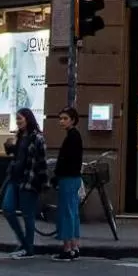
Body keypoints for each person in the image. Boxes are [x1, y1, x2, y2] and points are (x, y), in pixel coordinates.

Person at [1, 108, 47, 258]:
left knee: (28, 215)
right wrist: (10, 146)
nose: (18, 122)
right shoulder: (20, 136)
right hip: (14, 179)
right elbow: (16, 155)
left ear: (28, 119)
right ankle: (23, 241)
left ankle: (29, 248)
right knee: (7, 209)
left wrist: (41, 183)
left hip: (29, 180)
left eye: (20, 119)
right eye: (17, 119)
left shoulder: (37, 138)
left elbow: (41, 162)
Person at [51, 106, 83, 261]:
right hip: (73, 178)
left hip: (68, 179)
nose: (61, 121)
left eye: (65, 118)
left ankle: (67, 248)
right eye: (60, 118)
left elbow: (66, 160)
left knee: (66, 213)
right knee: (73, 213)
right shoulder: (74, 136)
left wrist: (57, 176)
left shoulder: (72, 137)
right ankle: (75, 246)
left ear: (73, 120)